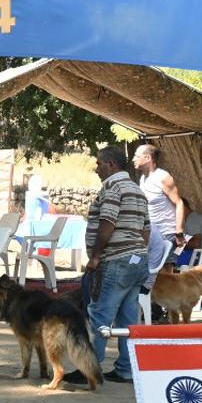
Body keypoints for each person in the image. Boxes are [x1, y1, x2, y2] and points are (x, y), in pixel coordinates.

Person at [66, 146, 149, 385]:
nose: (96, 169)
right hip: (137, 260)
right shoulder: (137, 190)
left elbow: (107, 223)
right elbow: (146, 230)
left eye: (99, 164)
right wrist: (135, 251)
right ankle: (126, 369)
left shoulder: (113, 188)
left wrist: (95, 256)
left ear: (111, 164)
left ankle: (89, 368)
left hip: (116, 260)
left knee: (99, 313)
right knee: (128, 319)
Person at [133, 144, 184, 269]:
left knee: (165, 274)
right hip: (151, 234)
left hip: (167, 234)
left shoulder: (163, 177)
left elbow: (179, 203)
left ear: (147, 158)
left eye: (137, 156)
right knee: (139, 266)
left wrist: (179, 231)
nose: (133, 159)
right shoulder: (143, 178)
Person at [177, 198, 202, 267]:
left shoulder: (193, 219)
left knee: (170, 260)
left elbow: (196, 244)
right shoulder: (189, 218)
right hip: (198, 252)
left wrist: (181, 245)